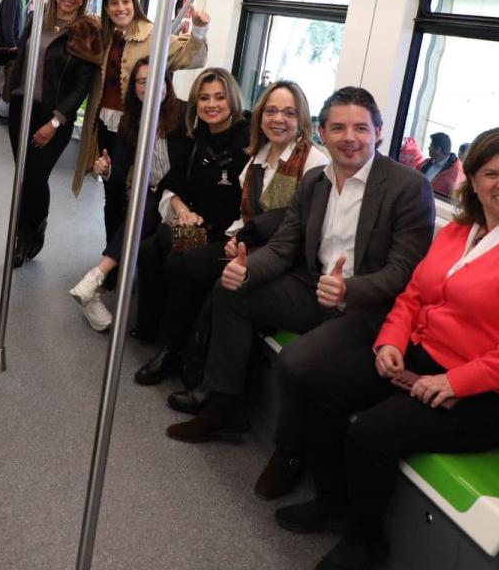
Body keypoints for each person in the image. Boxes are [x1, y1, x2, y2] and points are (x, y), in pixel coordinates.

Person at [273, 127, 499, 570]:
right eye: (491, 173)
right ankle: (334, 501)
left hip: (488, 393)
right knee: (316, 384)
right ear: (473, 180)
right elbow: (414, 296)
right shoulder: (460, 232)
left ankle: (366, 541)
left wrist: (455, 381)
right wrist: (390, 342)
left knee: (371, 433)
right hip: (420, 357)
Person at [165, 87, 435, 444]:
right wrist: (248, 269)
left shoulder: (408, 187)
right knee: (229, 291)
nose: (349, 138)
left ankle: (288, 453)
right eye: (338, 128)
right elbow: (283, 245)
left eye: (361, 129)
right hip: (312, 286)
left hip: (364, 305)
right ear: (323, 132)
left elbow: (403, 271)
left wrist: (348, 289)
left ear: (379, 132)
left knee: (294, 362)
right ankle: (224, 407)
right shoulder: (315, 181)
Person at [133, 80, 329, 386]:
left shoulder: (315, 163)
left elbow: (294, 221)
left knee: (191, 267)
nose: (278, 119)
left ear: (301, 118)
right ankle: (174, 348)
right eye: (272, 111)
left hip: (279, 252)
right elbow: (245, 211)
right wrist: (233, 235)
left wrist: (241, 237)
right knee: (174, 258)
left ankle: (189, 357)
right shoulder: (258, 157)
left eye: (288, 113)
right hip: (246, 239)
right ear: (261, 116)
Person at [0, 0, 104, 265]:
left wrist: (56, 121)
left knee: (36, 177)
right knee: (24, 176)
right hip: (23, 108)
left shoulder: (86, 30)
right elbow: (20, 55)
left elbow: (81, 86)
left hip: (54, 116)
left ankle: (31, 231)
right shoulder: (38, 19)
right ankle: (26, 231)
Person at [71, 0, 210, 243]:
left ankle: (134, 256)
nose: (120, 8)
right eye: (113, 3)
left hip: (141, 126)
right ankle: (114, 256)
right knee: (112, 192)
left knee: (139, 195)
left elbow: (190, 57)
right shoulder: (105, 35)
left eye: (125, 1)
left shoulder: (153, 35)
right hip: (107, 125)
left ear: (134, 4)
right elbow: (77, 24)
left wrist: (200, 31)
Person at [130, 68, 253, 344]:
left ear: (232, 100)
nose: (211, 105)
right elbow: (173, 185)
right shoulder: (197, 140)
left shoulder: (250, 142)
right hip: (198, 228)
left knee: (182, 263)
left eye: (219, 97)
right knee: (150, 248)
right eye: (204, 98)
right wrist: (183, 211)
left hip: (229, 237)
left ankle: (172, 349)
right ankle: (150, 328)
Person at [67, 58, 191, 330]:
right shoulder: (129, 121)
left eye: (155, 80)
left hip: (180, 194)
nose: (148, 86)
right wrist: (106, 169)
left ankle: (97, 278)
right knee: (141, 205)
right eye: (141, 81)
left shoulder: (184, 114)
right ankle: (96, 286)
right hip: (149, 193)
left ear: (167, 85)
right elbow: (121, 169)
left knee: (144, 207)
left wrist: (167, 186)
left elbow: (189, 163)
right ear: (134, 88)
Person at [419, 131, 464, 198]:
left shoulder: (455, 173)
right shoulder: (427, 162)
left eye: (431, 145)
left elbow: (452, 200)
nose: (428, 148)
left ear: (438, 149)